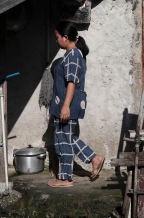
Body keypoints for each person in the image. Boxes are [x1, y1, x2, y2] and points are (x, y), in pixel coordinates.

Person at [47, 21, 105, 188]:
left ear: (65, 38)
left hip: (67, 104)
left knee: (64, 141)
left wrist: (65, 106)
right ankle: (94, 158)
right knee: (65, 138)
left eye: (57, 37)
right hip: (65, 104)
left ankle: (65, 178)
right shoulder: (72, 55)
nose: (56, 40)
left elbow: (72, 82)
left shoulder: (73, 55)